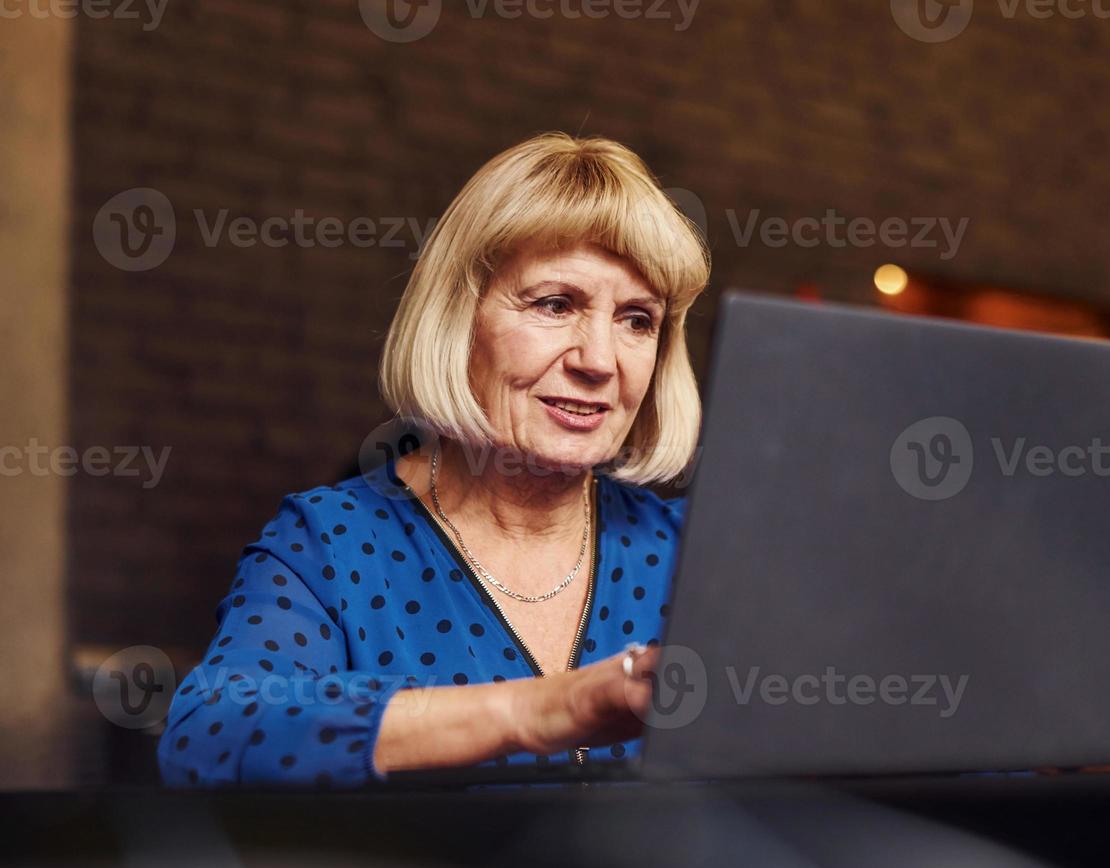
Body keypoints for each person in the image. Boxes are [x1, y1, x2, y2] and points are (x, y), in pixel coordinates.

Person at [158, 132, 708, 788]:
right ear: (458, 318)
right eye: (556, 305)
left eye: (637, 320)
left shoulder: (691, 552)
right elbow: (209, 737)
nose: (598, 360)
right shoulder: (332, 544)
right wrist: (545, 709)